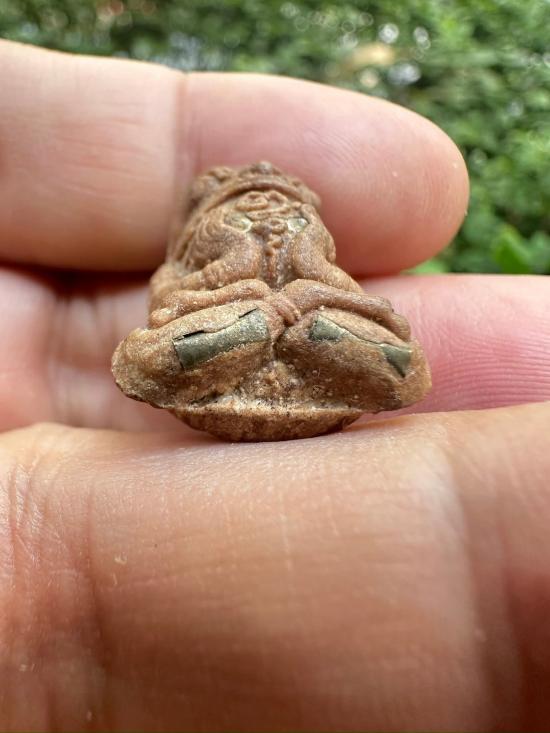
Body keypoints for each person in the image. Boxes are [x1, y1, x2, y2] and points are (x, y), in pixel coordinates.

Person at [0, 39, 549, 732]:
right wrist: (244, 288)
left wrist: (313, 300)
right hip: (228, 333)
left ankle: (302, 340)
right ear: (204, 221)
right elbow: (169, 309)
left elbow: (354, 299)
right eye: (242, 203)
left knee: (393, 359)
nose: (263, 207)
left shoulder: (310, 248)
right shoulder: (189, 258)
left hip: (312, 337)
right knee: (145, 356)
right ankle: (257, 334)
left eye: (281, 203)